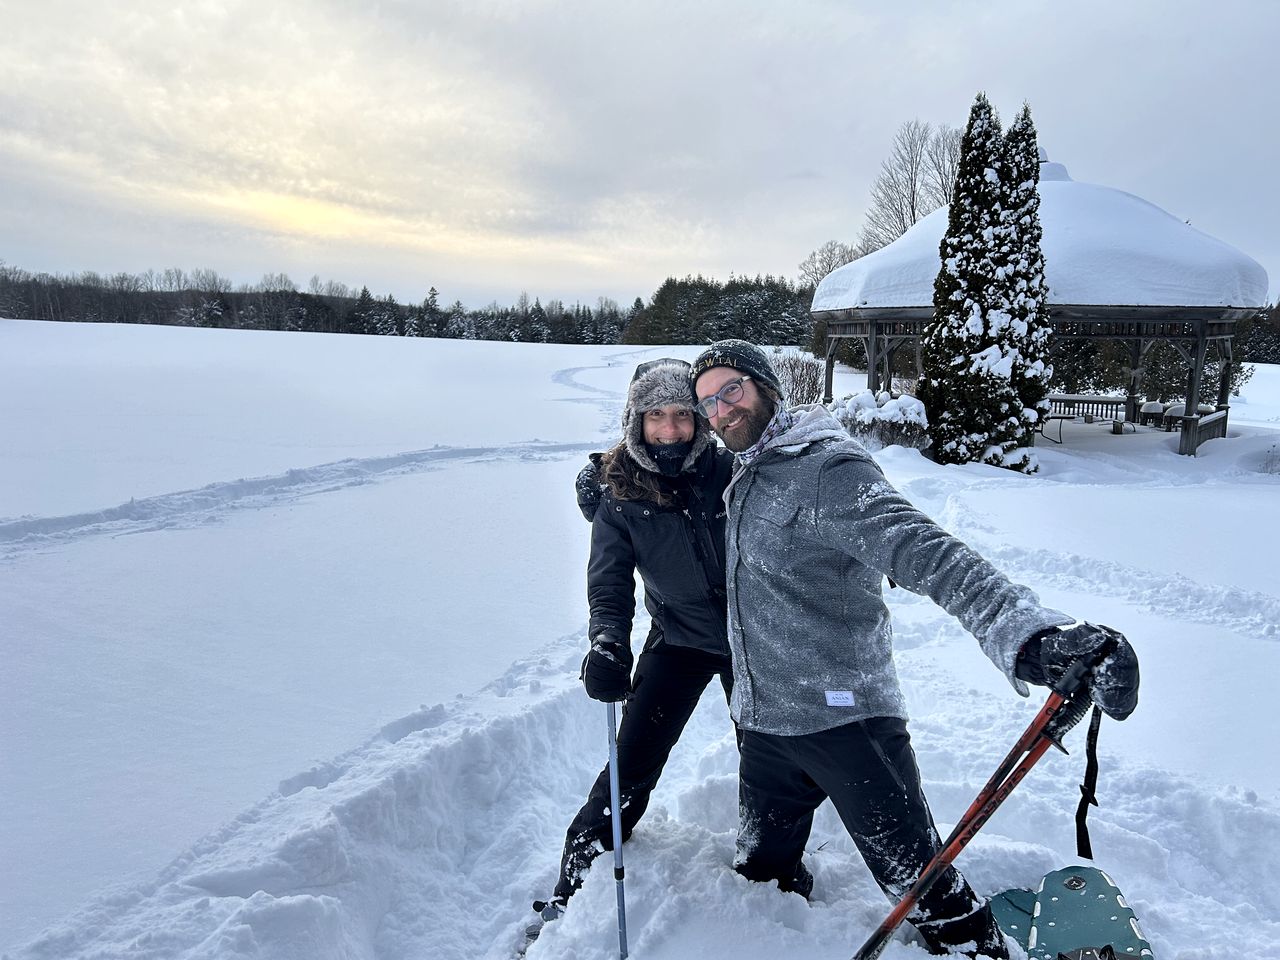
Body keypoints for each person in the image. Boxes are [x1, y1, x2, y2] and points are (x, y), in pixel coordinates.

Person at [688, 340, 1140, 959]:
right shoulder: (745, 472)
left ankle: (977, 948)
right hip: (765, 724)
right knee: (761, 878)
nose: (721, 410)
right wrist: (610, 483)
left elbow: (928, 552)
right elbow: (661, 460)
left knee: (924, 890)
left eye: (731, 390)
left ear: (766, 386)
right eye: (708, 402)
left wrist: (1029, 635)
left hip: (844, 720)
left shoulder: (829, 472)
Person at [528, 357, 736, 940]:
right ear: (635, 420)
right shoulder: (618, 494)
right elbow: (610, 581)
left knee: (775, 764)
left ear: (701, 418)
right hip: (679, 641)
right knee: (630, 765)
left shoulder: (731, 469)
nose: (670, 429)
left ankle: (774, 873)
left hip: (752, 639)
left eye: (682, 415)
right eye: (655, 415)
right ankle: (573, 885)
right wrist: (607, 642)